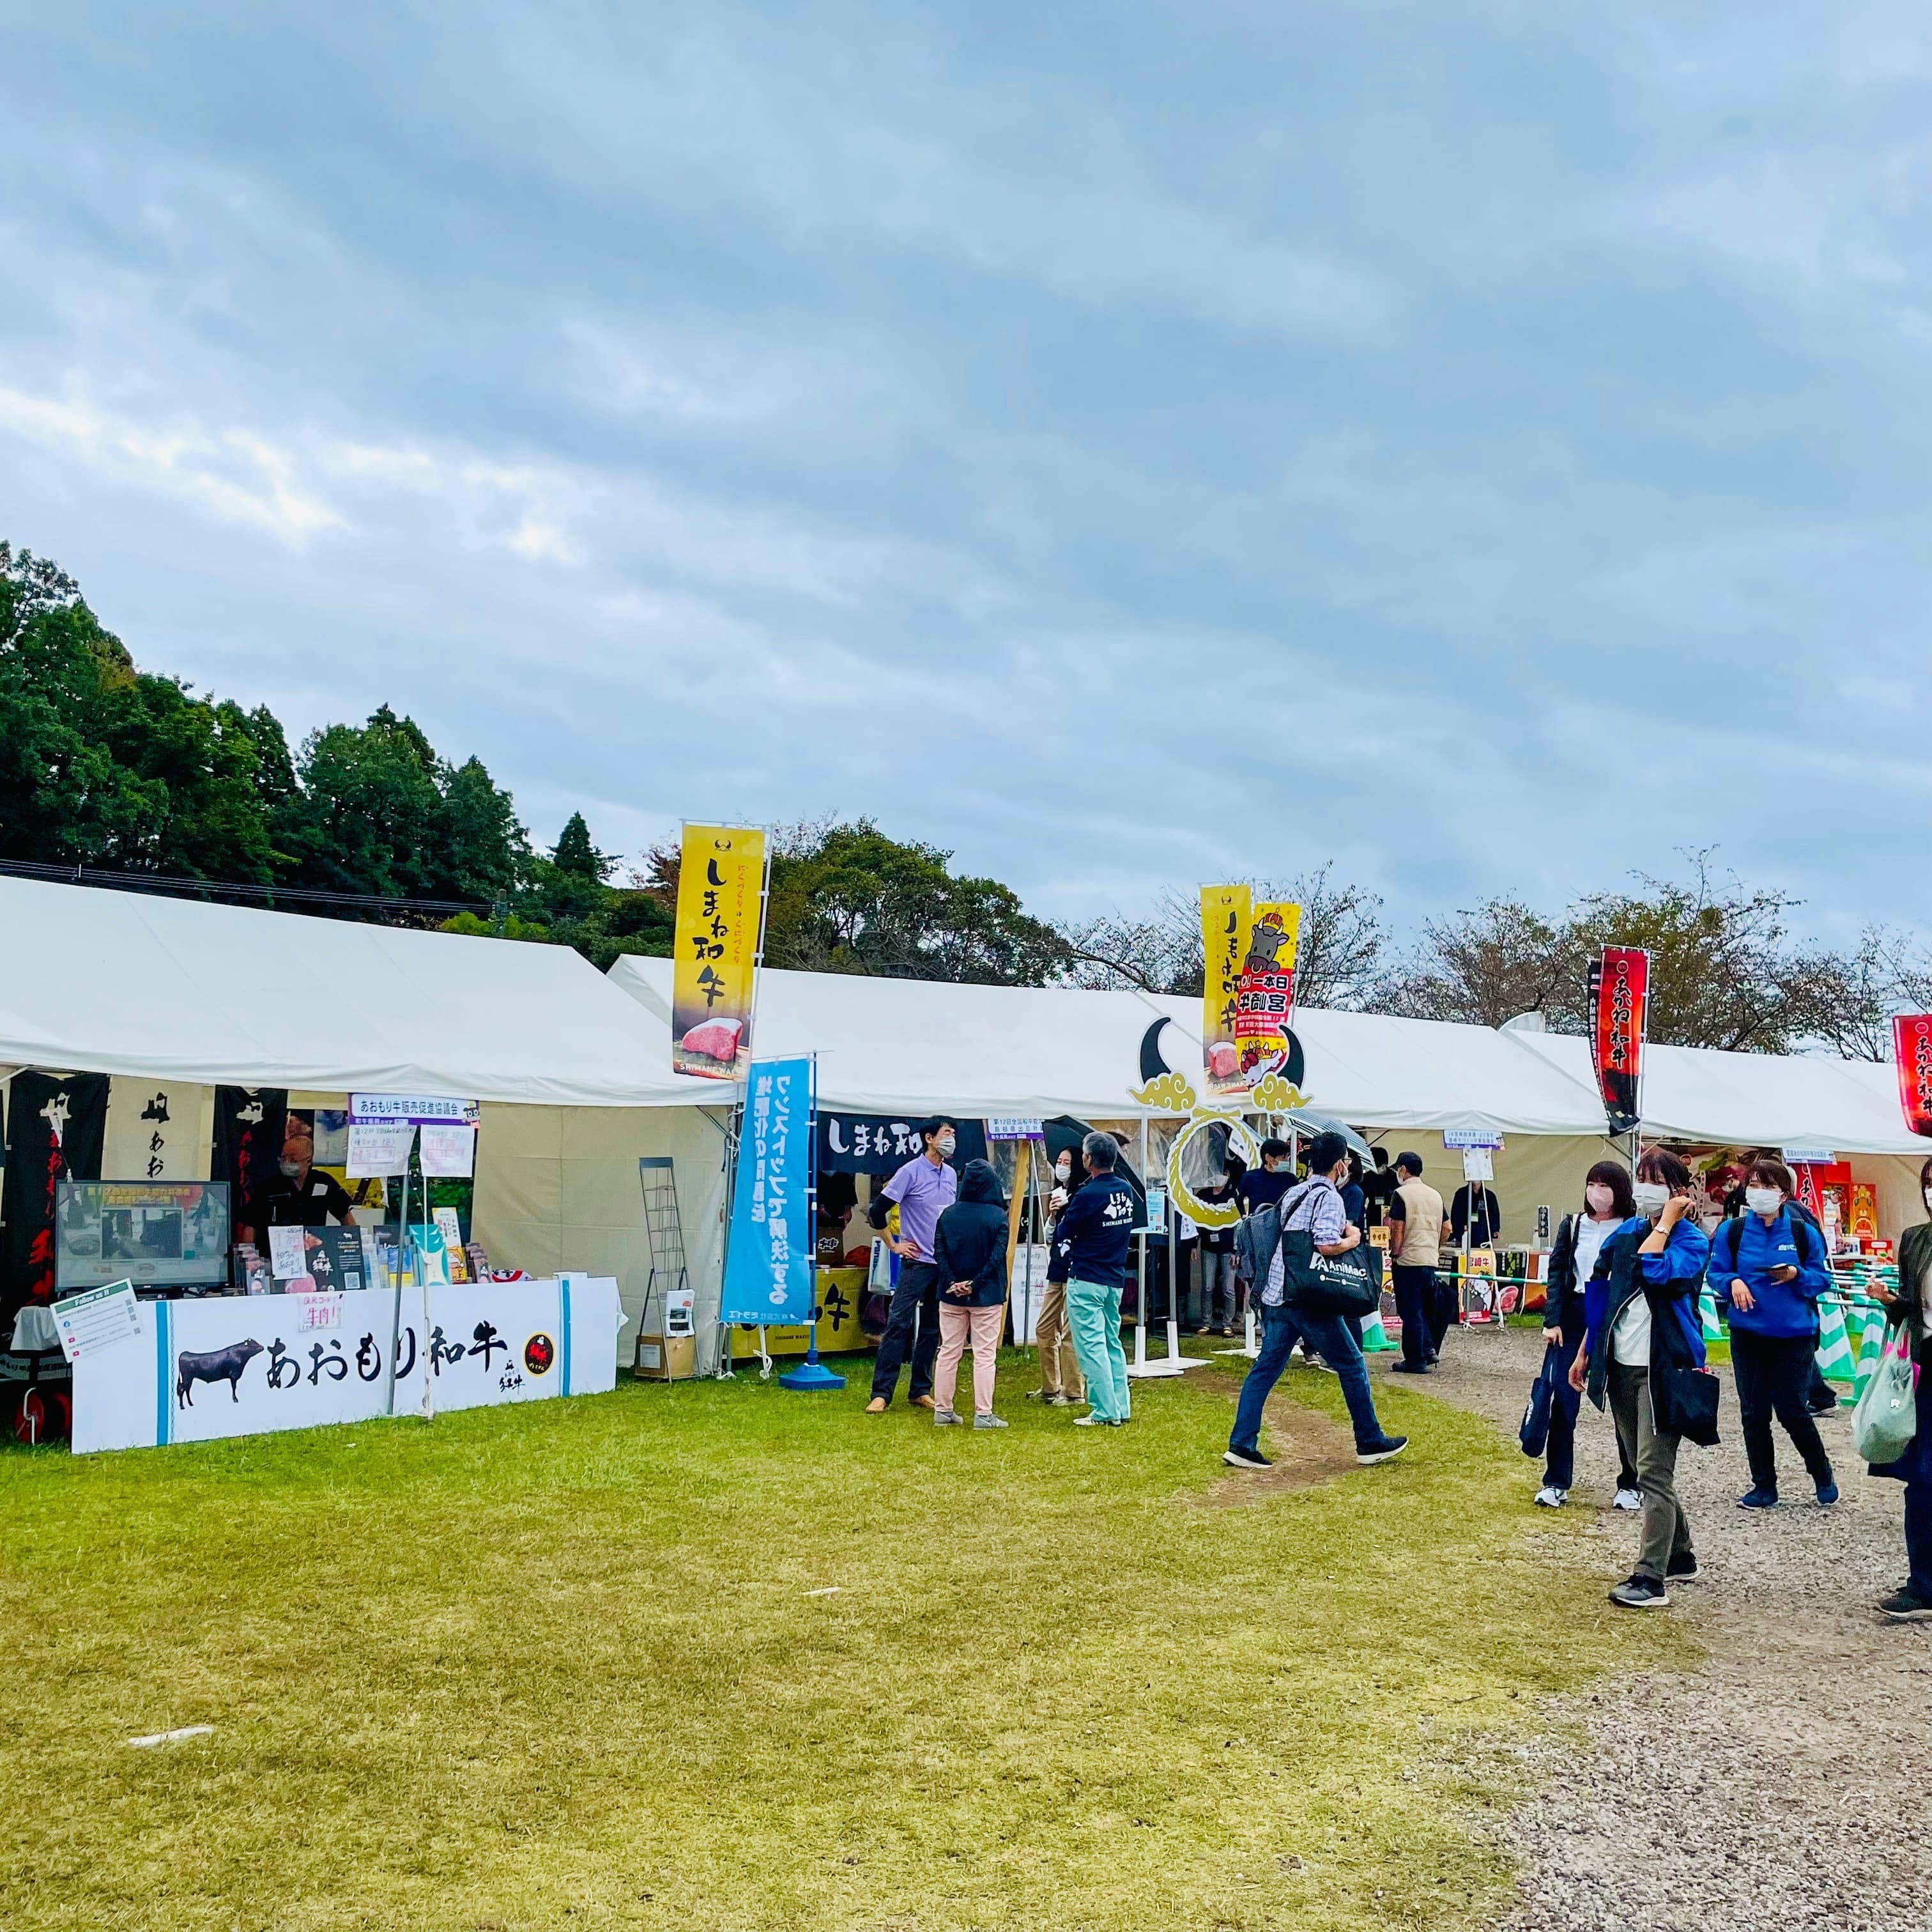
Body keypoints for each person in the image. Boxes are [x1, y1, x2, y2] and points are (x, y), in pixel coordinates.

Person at [1572, 1147, 1712, 1611]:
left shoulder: (1690, 1240)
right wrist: (1586, 1350)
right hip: (1621, 1365)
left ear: (1676, 1192)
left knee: (1652, 1472)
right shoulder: (1625, 1233)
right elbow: (1601, 1296)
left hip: (1663, 1369)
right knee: (1643, 1465)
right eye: (1641, 1177)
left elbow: (1654, 1270)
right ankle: (1681, 1554)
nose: (1646, 1187)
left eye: (1657, 1180)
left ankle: (1650, 1578)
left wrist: (1667, 1222)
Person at [1223, 1131, 1408, 1471]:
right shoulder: (1329, 1197)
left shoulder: (1295, 1191)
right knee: (1352, 1363)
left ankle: (1241, 1443)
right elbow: (1325, 1245)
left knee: (1265, 1369)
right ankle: (1369, 1440)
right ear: (1341, 1163)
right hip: (1310, 1297)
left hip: (1279, 1293)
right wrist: (1353, 1238)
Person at [1710, 1156, 1837, 1510]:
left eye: (1769, 1187)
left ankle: (1821, 1471)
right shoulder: (1731, 1232)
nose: (1760, 1193)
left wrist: (1796, 1276)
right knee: (1753, 1413)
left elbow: (1823, 1279)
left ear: (1784, 1195)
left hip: (1793, 1335)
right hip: (1747, 1333)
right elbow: (1716, 1273)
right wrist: (1733, 1281)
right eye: (1754, 1185)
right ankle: (1764, 1485)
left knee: (1793, 1410)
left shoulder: (1802, 1232)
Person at [1535, 1162, 1641, 1509]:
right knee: (1563, 1401)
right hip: (1574, 1315)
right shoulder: (1574, 1225)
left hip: (1616, 1317)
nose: (1597, 1192)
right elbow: (1558, 1271)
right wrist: (1553, 1321)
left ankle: (1630, 1483)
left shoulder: (1634, 1228)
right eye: (1591, 1184)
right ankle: (1555, 1481)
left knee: (1624, 1403)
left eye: (1605, 1185)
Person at [1866, 1155, 1932, 1621]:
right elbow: (1914, 1310)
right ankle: (1921, 1582)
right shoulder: (1916, 1240)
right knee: (1921, 1479)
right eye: (1929, 1183)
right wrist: (1892, 1302)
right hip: (1924, 1371)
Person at [864, 1117, 960, 1414]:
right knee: (898, 1324)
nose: (952, 1138)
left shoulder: (952, 1174)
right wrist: (894, 1245)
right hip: (916, 1262)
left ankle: (920, 1389)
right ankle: (882, 1393)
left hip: (942, 1264)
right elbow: (877, 1211)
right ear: (930, 1138)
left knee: (932, 1328)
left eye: (954, 1134)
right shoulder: (910, 1171)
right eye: (947, 1133)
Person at [1055, 1131, 1138, 1427]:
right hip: (1114, 1277)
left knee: (1091, 1346)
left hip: (1087, 1275)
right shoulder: (1125, 1189)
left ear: (1088, 1159)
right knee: (1111, 1343)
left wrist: (1059, 1215)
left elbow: (1064, 1230)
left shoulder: (1087, 1194)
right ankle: (1120, 1406)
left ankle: (1104, 1410)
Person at [930, 1159, 1011, 1430]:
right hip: (986, 1296)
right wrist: (975, 1283)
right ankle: (983, 1414)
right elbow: (997, 1257)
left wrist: (954, 1282)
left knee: (948, 1352)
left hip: (950, 1295)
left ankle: (943, 1409)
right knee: (985, 1354)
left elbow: (939, 1252)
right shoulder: (998, 1217)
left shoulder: (947, 1215)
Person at [234, 1114, 354, 1246]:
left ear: (309, 1160)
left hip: (312, 1254)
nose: (287, 1162)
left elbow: (345, 1215)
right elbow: (251, 1225)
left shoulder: (324, 1182)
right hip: (274, 1256)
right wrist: (249, 1257)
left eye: (293, 1159)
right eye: (284, 1157)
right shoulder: (269, 1187)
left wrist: (351, 1246)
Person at [1027, 1144, 1086, 1407]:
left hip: (1077, 1271)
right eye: (1059, 1161)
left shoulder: (1083, 1194)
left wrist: (1070, 1206)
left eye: (1067, 1162)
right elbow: (1050, 1236)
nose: (1061, 1166)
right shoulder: (1059, 1194)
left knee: (1070, 1332)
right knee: (1044, 1328)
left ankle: (1074, 1391)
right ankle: (1051, 1386)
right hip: (1057, 1270)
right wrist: (1053, 1214)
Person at [1385, 1151, 1446, 1374]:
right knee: (1423, 1308)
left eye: (1397, 1170)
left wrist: (1395, 1252)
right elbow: (1447, 1228)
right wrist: (1434, 1245)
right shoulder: (1435, 1195)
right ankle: (1429, 1349)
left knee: (1410, 1311)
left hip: (1408, 1260)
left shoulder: (1401, 1194)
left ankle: (1414, 1360)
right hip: (1429, 1259)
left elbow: (1398, 1227)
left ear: (1403, 1170)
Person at [1197, 1161, 1242, 1337]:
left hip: (1228, 1247)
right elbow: (1196, 1221)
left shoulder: (1233, 1196)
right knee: (1207, 1286)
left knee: (1228, 1288)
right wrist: (1195, 1244)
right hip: (1208, 1246)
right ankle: (1207, 1322)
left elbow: (1239, 1224)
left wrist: (1236, 1250)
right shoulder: (1203, 1195)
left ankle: (1227, 1324)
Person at [1235, 1138, 1296, 1216]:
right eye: (1283, 1157)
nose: (1286, 1161)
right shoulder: (1249, 1178)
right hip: (1257, 1223)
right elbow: (1238, 1201)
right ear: (1268, 1157)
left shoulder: (1291, 1179)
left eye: (1287, 1157)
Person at [1448, 1177, 1504, 1251]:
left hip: (1484, 1240)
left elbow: (1494, 1215)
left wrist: (1495, 1230)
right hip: (1464, 1240)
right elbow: (1456, 1217)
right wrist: (1458, 1235)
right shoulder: (1461, 1194)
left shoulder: (1489, 1196)